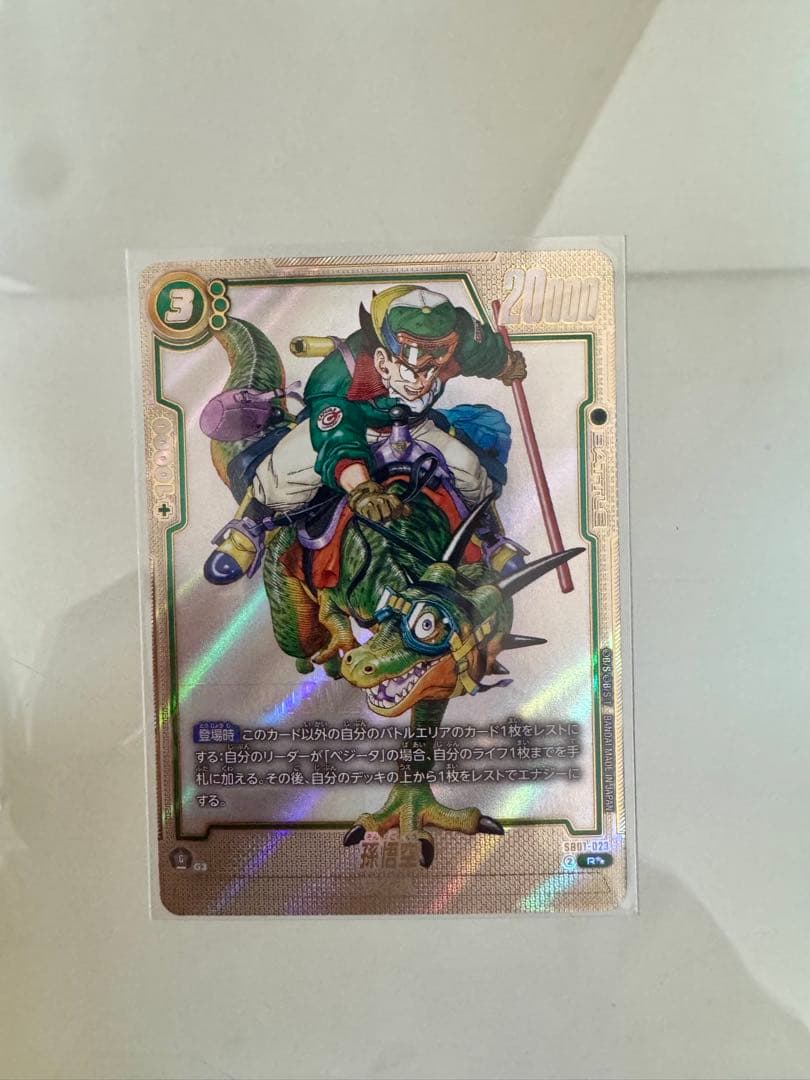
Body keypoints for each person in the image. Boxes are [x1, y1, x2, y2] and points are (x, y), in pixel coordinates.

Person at [204, 285, 527, 585]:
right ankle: (248, 530)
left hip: (416, 427)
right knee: (282, 475)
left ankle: (489, 538)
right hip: (353, 429)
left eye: (436, 364)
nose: (423, 381)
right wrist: (362, 490)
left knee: (470, 470)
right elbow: (338, 438)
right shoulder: (337, 377)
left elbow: (485, 353)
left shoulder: (460, 338)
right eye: (413, 365)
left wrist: (505, 364)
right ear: (383, 360)